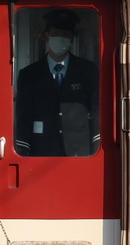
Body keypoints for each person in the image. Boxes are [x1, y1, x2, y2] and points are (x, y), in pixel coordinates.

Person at [15, 9, 98, 156]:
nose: (61, 38)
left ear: (72, 38)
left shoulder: (88, 71)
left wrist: (96, 146)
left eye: (66, 35)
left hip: (80, 152)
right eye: (56, 34)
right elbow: (23, 117)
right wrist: (22, 151)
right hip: (42, 151)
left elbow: (96, 111)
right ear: (46, 36)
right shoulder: (29, 74)